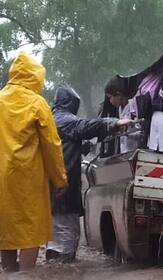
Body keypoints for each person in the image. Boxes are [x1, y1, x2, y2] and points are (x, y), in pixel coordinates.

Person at [46, 86, 134, 262]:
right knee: (66, 228)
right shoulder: (63, 119)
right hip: (62, 182)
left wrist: (85, 146)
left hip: (54, 182)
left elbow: (70, 139)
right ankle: (62, 264)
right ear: (70, 103)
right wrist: (113, 123)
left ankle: (56, 265)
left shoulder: (52, 119)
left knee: (58, 231)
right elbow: (83, 126)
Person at [0, 52, 68, 272]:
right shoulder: (37, 104)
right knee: (30, 229)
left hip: (2, 177)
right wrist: (60, 179)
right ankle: (25, 275)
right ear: (35, 77)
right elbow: (52, 144)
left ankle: (10, 273)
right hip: (28, 178)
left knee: (5, 226)